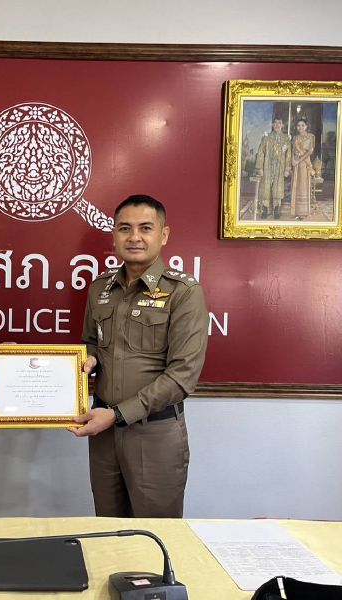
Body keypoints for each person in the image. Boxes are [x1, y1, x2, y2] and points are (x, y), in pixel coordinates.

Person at [70, 194, 208, 518]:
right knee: (108, 529)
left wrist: (118, 414)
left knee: (154, 533)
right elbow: (90, 343)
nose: (134, 237)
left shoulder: (183, 292)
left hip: (154, 433)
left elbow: (182, 376)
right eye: (125, 228)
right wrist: (90, 359)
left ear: (164, 235)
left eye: (145, 228)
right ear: (114, 235)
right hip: (103, 434)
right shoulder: (100, 288)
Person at [254, 117, 291, 219]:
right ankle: (265, 209)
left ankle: (276, 209)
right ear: (272, 125)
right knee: (266, 187)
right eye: (275, 123)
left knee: (278, 188)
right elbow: (261, 152)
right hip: (267, 166)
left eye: (279, 123)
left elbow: (288, 155)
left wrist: (287, 169)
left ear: (282, 125)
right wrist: (260, 168)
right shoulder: (266, 138)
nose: (277, 125)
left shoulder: (286, 139)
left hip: (280, 167)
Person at [290, 117, 316, 220]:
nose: (300, 127)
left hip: (305, 164)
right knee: (296, 186)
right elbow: (293, 150)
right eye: (298, 125)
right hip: (296, 165)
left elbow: (310, 151)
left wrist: (299, 160)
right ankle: (296, 212)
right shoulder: (295, 138)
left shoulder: (311, 137)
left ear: (306, 126)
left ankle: (303, 212)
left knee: (303, 186)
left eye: (302, 125)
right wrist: (293, 161)